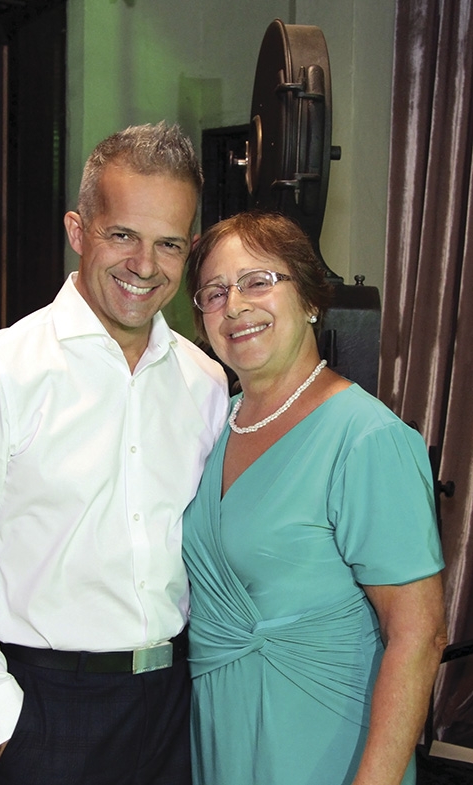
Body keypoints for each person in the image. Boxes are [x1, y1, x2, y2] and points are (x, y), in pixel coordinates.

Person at [0, 122, 230, 785]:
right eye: (122, 235)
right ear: (78, 231)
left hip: (175, 708)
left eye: (168, 243)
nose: (145, 265)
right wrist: (5, 723)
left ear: (189, 249)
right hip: (46, 713)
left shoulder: (206, 381)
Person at [182, 210, 447, 785]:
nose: (235, 306)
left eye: (257, 281)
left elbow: (418, 634)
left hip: (324, 742)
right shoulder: (211, 426)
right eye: (215, 292)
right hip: (222, 730)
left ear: (307, 298)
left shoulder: (366, 438)